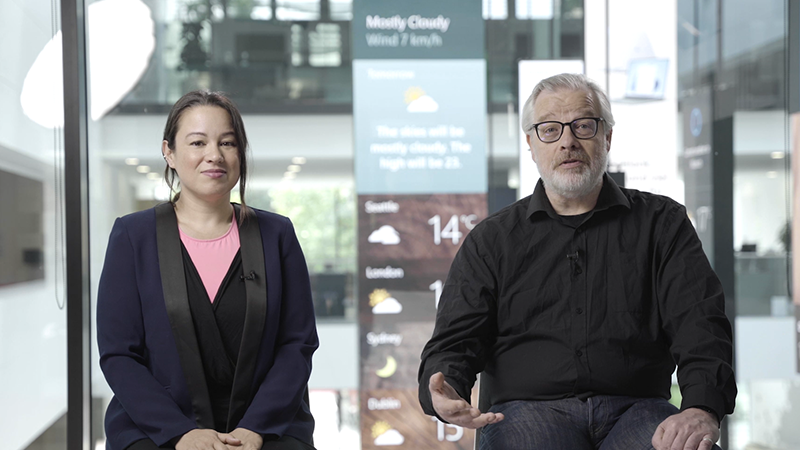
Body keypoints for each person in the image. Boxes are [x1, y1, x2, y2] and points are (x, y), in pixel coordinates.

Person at [418, 73, 736, 450]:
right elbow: (456, 339)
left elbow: (700, 324)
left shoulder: (662, 224)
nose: (567, 141)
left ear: (607, 137)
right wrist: (445, 387)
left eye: (583, 126)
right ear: (531, 144)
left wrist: (702, 407)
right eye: (550, 129)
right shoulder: (491, 240)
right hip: (527, 413)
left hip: (638, 410)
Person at [97, 90, 318, 450]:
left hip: (265, 425)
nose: (214, 155)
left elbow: (297, 344)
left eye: (227, 143)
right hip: (156, 428)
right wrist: (180, 433)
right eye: (198, 142)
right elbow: (119, 354)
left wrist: (255, 429)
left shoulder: (277, 235)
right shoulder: (132, 236)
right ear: (169, 152)